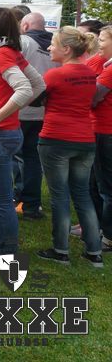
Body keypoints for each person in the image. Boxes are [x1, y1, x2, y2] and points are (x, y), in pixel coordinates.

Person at [0, 7, 44, 271]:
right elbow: (38, 85)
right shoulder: (8, 51)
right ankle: (5, 246)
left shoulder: (1, 53)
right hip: (6, 132)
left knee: (2, 200)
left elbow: (26, 89)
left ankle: (6, 257)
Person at [36, 27, 103, 267]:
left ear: (66, 49)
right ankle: (94, 252)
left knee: (60, 196)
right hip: (85, 140)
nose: (49, 48)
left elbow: (35, 99)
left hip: (56, 138)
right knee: (82, 195)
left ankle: (60, 250)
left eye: (53, 44)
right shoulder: (91, 73)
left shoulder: (55, 75)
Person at [16, 11, 58, 220]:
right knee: (32, 158)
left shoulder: (23, 42)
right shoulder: (54, 45)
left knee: (12, 156)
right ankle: (31, 204)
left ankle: (11, 198)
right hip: (42, 110)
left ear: (25, 26)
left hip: (19, 108)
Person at [91, 25, 112, 254]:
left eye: (103, 39)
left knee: (105, 186)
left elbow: (93, 97)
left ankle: (108, 236)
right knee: (99, 184)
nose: (99, 44)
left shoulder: (109, 71)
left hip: (105, 131)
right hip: (103, 130)